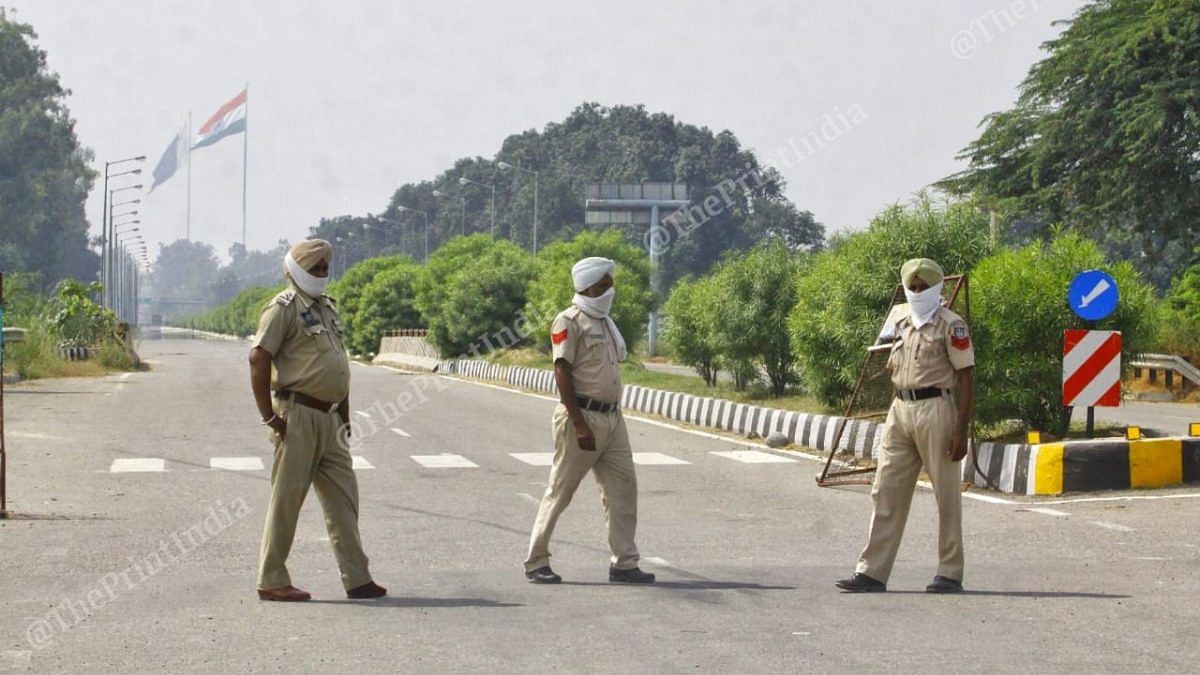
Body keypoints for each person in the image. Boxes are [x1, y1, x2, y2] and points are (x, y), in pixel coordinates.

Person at [248, 239, 386, 602]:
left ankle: (357, 577)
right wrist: (269, 417)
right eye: (315, 269)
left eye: (325, 269)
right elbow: (258, 359)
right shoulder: (283, 309)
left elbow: (337, 363)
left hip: (330, 418)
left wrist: (344, 415)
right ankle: (271, 577)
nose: (322, 275)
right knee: (286, 500)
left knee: (345, 500)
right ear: (296, 270)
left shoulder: (327, 308)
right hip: (298, 415)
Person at [836, 258, 974, 594]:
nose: (916, 292)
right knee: (885, 489)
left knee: (946, 494)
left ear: (936, 288)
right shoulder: (899, 319)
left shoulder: (950, 325)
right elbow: (889, 365)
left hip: (935, 409)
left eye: (922, 287)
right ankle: (871, 572)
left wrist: (960, 429)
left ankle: (949, 572)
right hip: (900, 409)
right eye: (911, 287)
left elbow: (967, 377)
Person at [523, 257, 655, 585]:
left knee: (623, 491)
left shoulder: (606, 322)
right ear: (591, 286)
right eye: (606, 284)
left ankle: (624, 563)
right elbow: (561, 370)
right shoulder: (569, 321)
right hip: (581, 419)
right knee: (560, 490)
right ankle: (536, 560)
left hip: (613, 420)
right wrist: (578, 423)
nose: (611, 289)